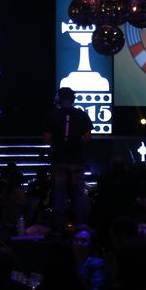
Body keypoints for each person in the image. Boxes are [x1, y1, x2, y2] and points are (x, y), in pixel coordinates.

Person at [43, 87, 92, 230]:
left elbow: (47, 139)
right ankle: (81, 229)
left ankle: (58, 229)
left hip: (59, 161)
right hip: (76, 162)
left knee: (59, 195)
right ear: (73, 99)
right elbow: (88, 137)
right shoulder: (82, 115)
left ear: (58, 98)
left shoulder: (52, 115)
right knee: (78, 196)